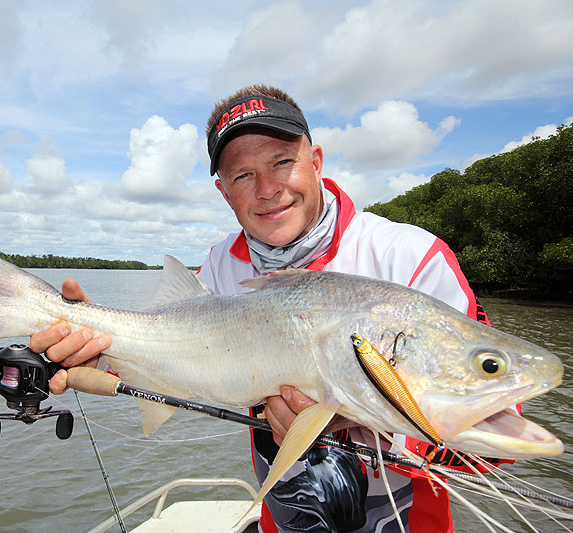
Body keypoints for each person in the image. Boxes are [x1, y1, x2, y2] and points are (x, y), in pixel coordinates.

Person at [30, 85, 498, 532]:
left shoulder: (411, 257)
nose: (268, 189)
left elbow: (492, 448)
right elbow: (171, 352)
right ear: (224, 192)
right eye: (243, 175)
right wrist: (97, 348)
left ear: (316, 162)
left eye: (282, 162)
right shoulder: (219, 265)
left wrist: (358, 418)